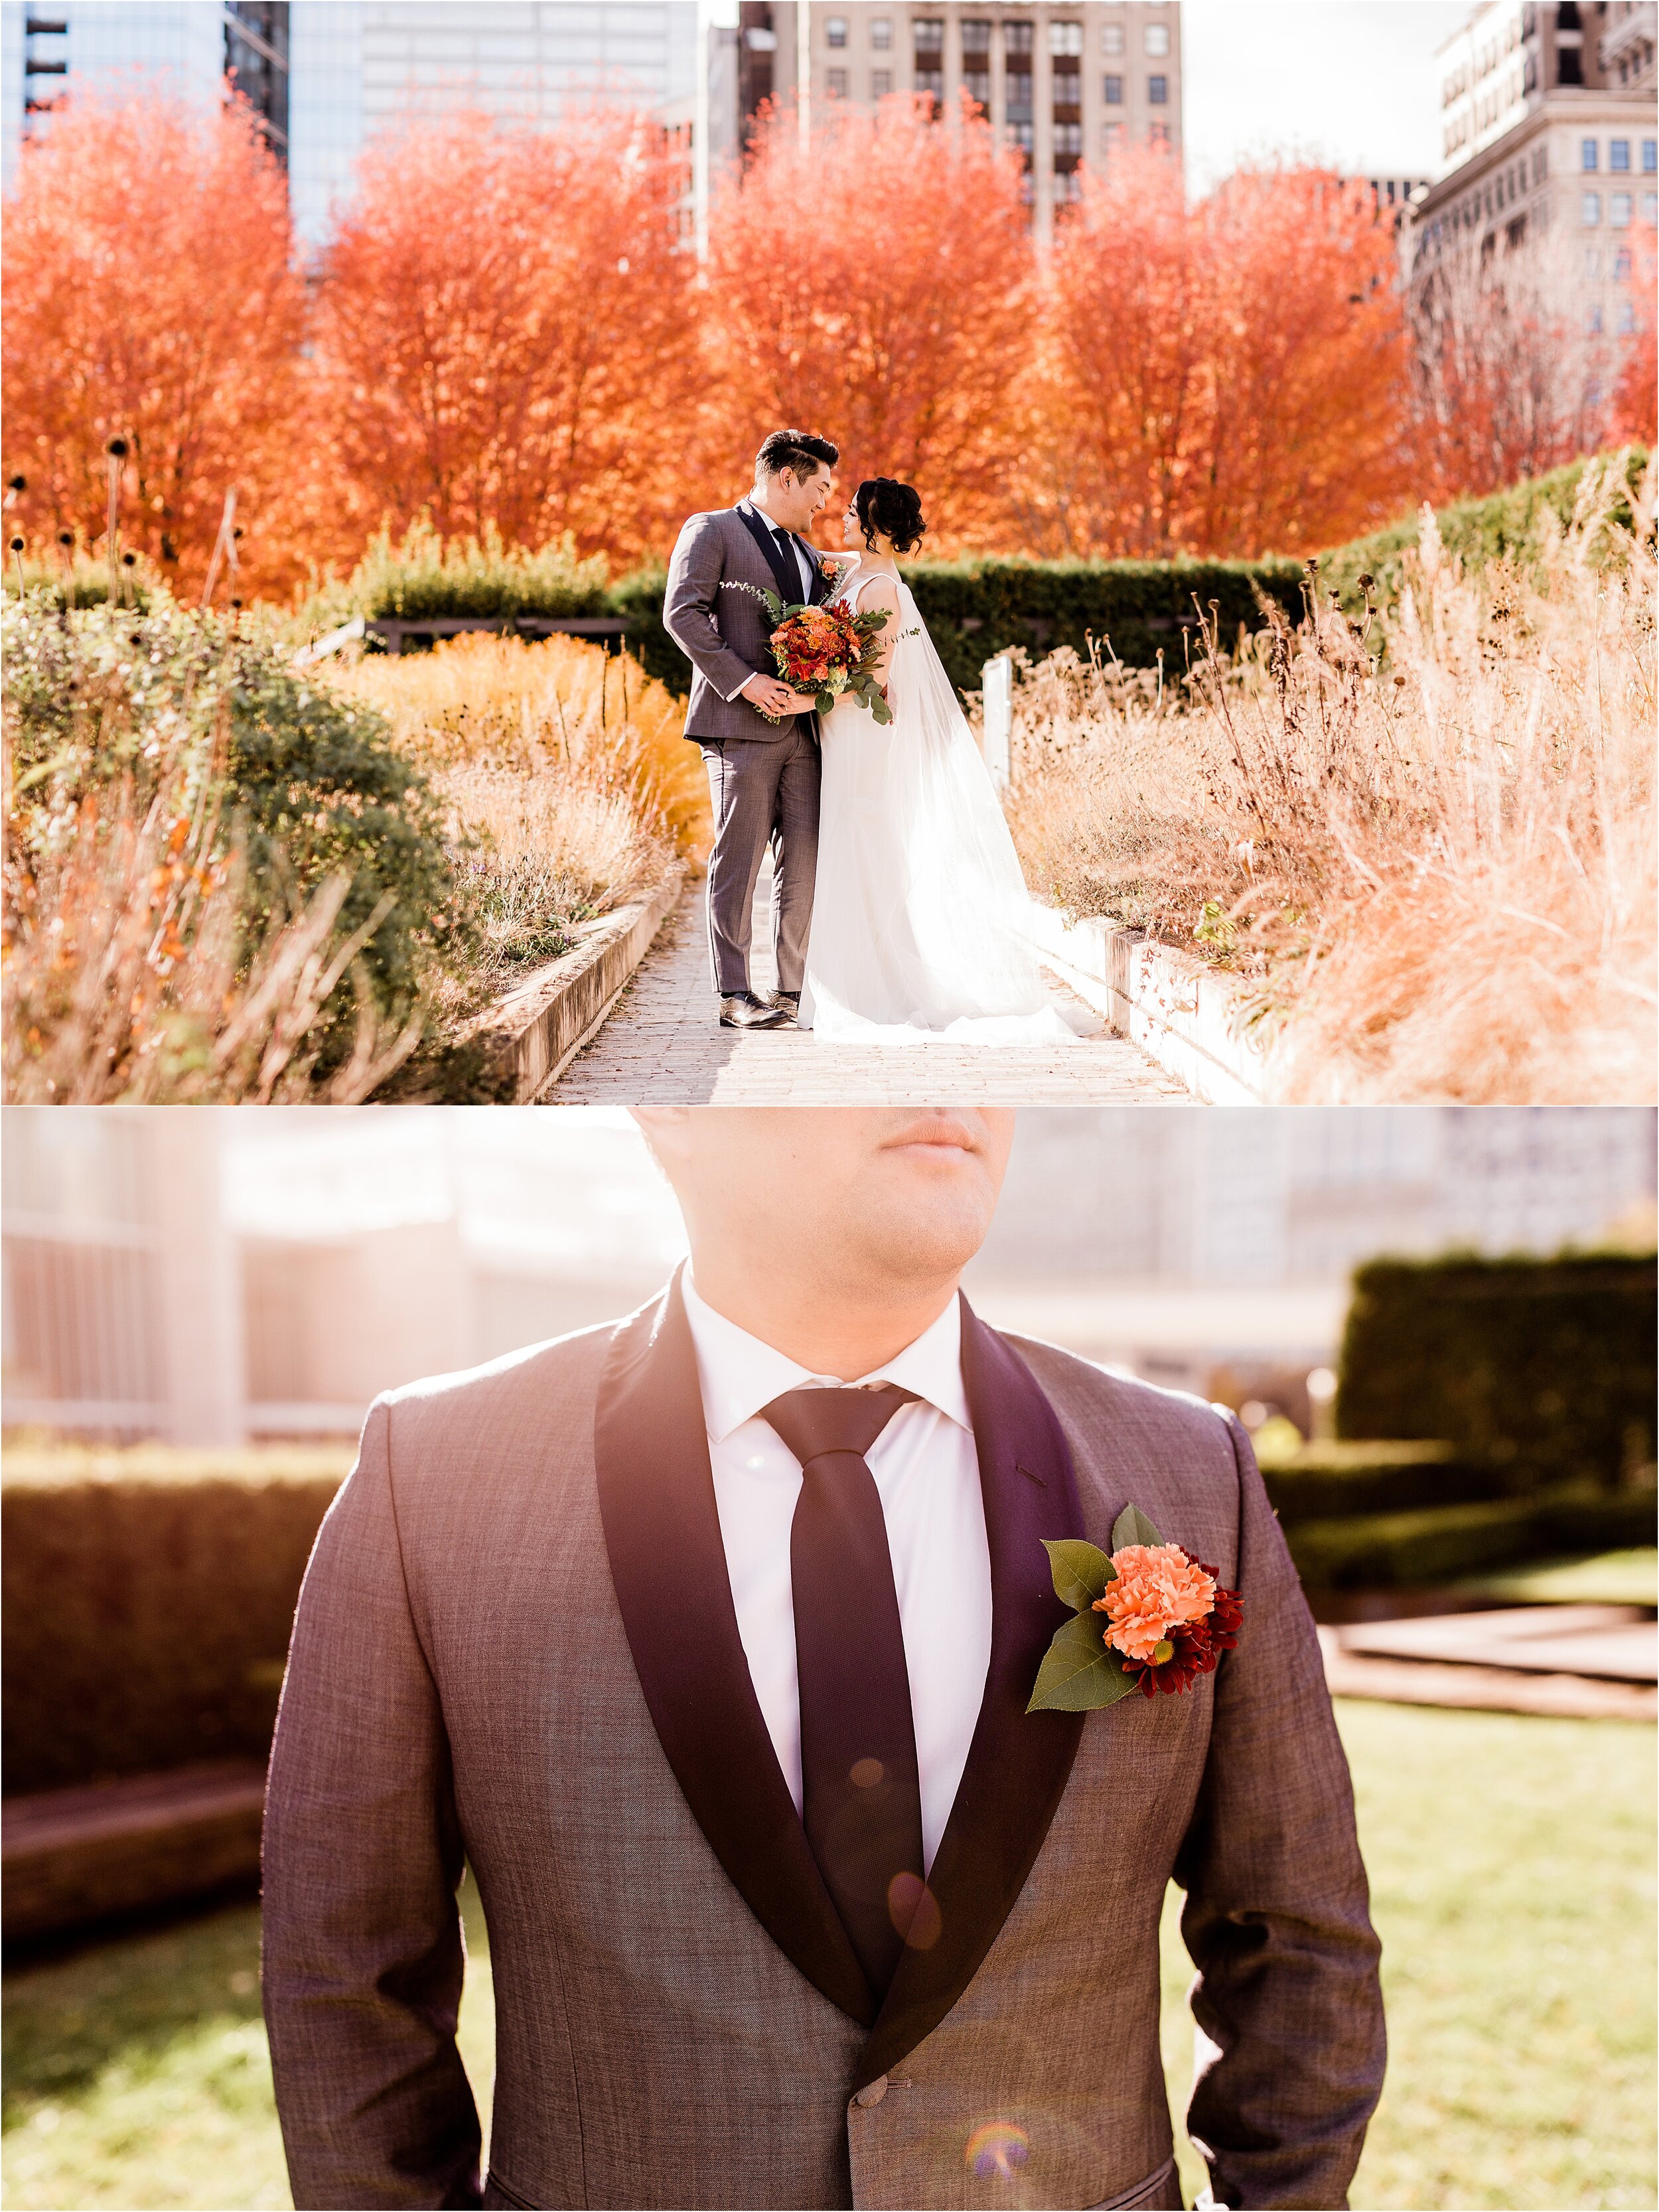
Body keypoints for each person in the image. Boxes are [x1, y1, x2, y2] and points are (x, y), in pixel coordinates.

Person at [262, 1107, 1386, 2212]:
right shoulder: (435, 1475)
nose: (950, 1084)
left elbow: (1296, 1930)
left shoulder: (1193, 1468)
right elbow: (346, 1977)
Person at [800, 481, 1084, 1042]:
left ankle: (876, 991)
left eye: (853, 513)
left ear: (877, 528)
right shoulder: (855, 571)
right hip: (840, 733)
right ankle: (851, 982)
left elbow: (874, 679)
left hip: (861, 733)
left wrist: (806, 697)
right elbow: (813, 560)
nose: (843, 518)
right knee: (849, 846)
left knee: (861, 846)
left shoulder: (881, 588)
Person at [664, 430, 840, 1031]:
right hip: (738, 727)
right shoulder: (710, 529)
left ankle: (790, 991)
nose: (824, 502)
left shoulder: (809, 554)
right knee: (737, 862)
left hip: (806, 734)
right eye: (818, 487)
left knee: (806, 863)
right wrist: (746, 683)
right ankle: (734, 994)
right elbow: (681, 612)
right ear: (785, 478)